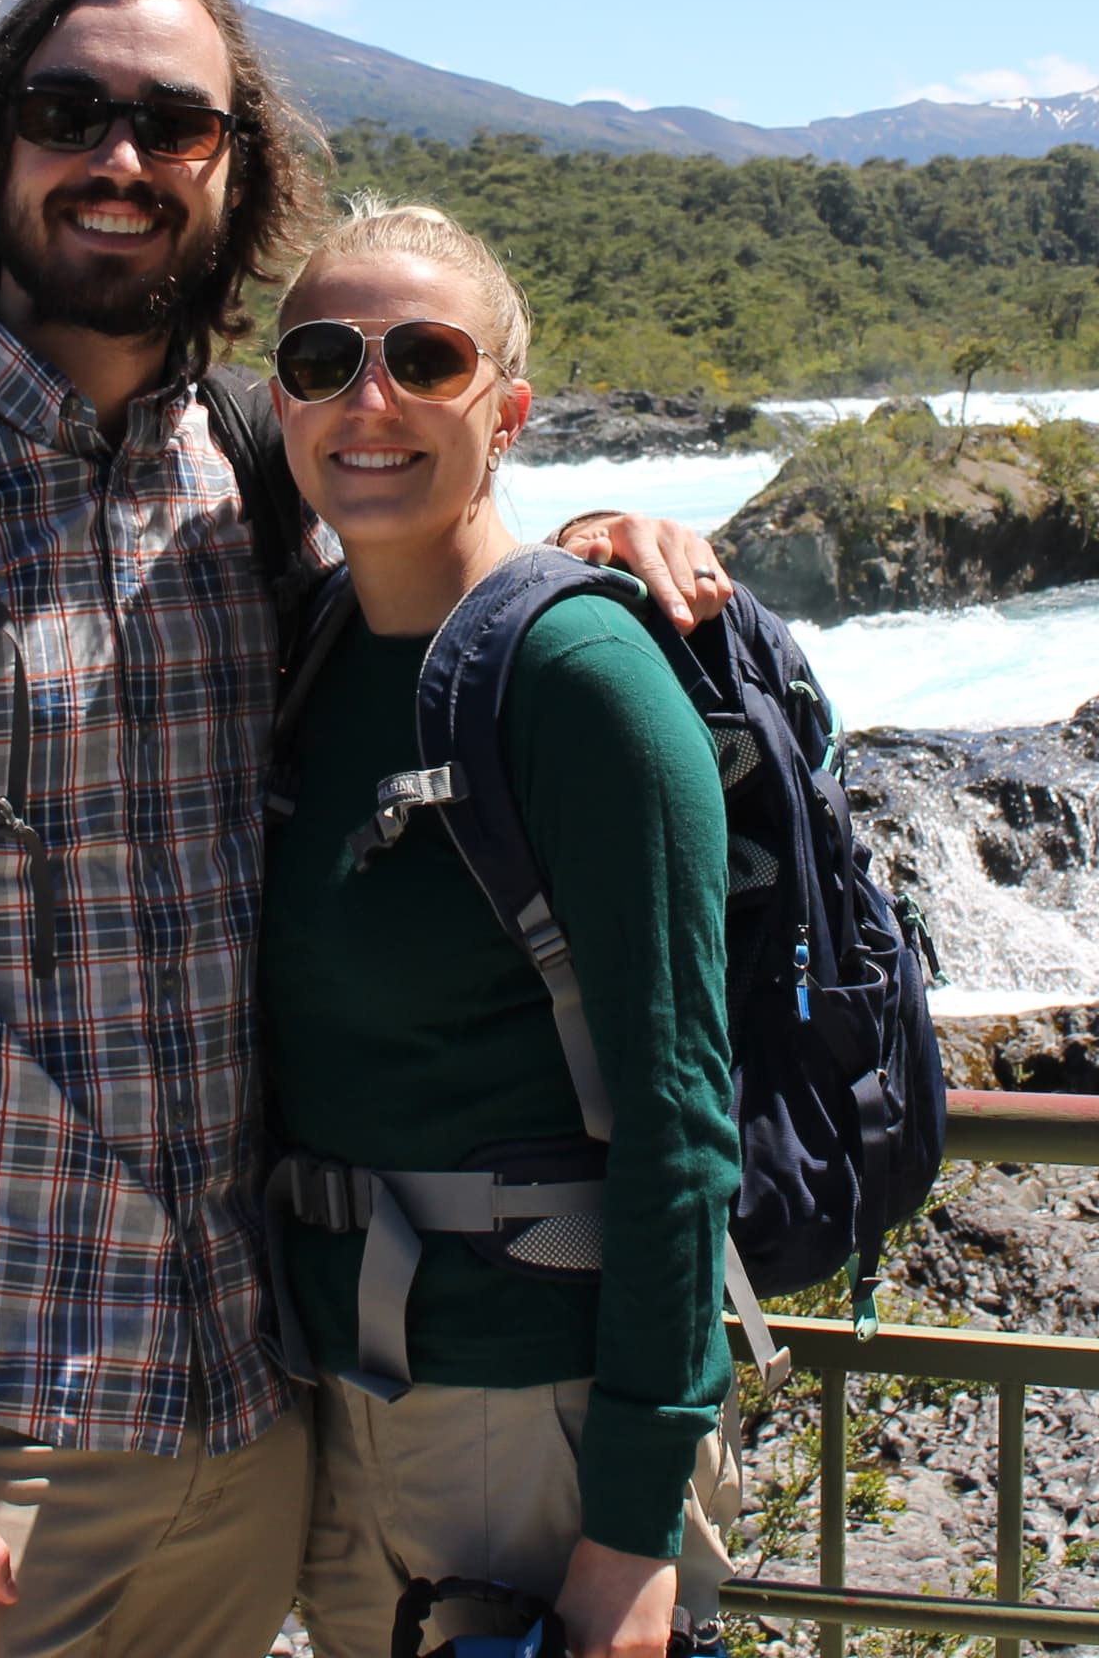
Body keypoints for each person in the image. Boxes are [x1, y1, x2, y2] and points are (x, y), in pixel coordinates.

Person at [0, 0, 731, 1658]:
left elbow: (429, 572)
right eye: (66, 109)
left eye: (176, 123)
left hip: (262, 1408)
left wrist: (604, 545)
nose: (118, 159)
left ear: (233, 180)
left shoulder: (246, 472)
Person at [259, 201, 742, 1658]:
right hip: (340, 1388)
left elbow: (681, 1121)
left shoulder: (579, 673)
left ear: (509, 408)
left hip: (529, 1420)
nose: (371, 398)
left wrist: (632, 1533)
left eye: (426, 355)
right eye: (325, 357)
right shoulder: (314, 644)